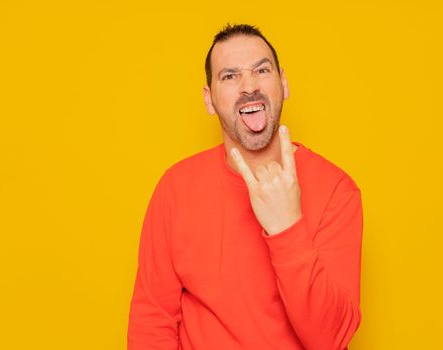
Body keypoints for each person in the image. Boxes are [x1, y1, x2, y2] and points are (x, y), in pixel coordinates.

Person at [127, 23, 363, 350]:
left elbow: (329, 340)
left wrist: (286, 227)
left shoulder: (337, 191)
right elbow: (152, 321)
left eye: (261, 71)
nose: (249, 86)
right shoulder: (175, 189)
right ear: (209, 100)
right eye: (230, 76)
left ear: (283, 82)